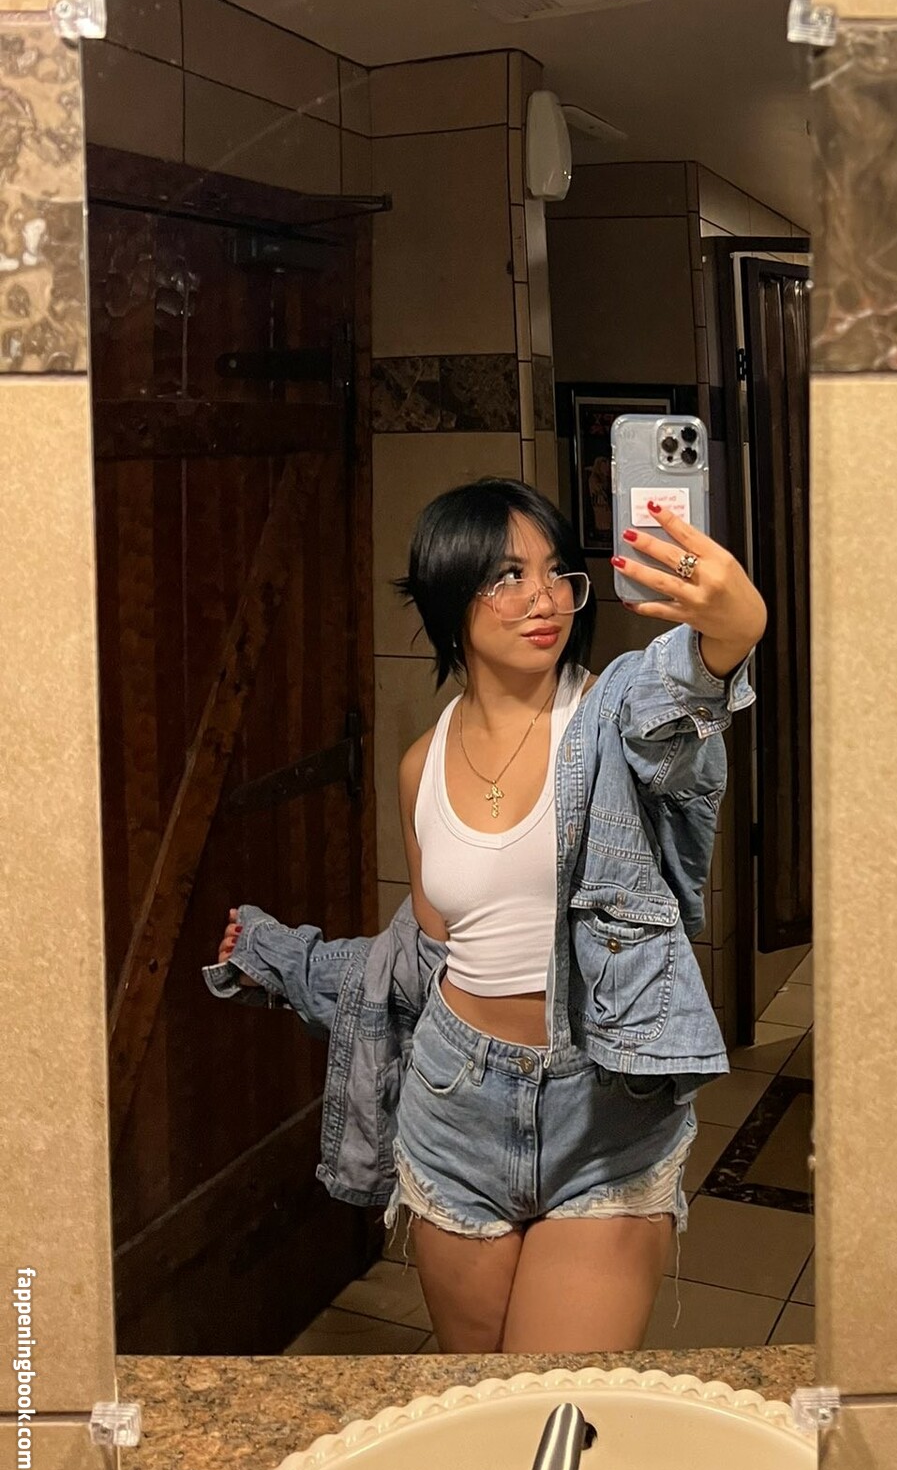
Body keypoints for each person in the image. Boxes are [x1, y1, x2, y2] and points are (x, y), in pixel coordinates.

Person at [213, 476, 765, 1353]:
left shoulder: (614, 714)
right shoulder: (419, 765)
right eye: (508, 575)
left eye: (556, 573)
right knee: (482, 1402)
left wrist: (733, 628)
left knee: (552, 1404)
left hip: (602, 1110)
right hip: (452, 1105)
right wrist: (284, 959)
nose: (544, 598)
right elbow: (425, 957)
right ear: (449, 596)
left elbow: (690, 688)